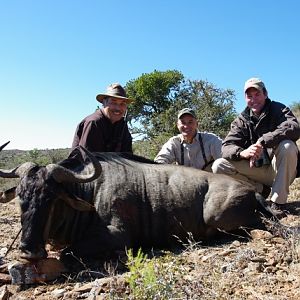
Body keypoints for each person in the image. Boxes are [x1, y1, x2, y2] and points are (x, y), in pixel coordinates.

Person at [212, 77, 300, 211]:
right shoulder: (240, 121)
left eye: (257, 94)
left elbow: (293, 127)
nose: (253, 99)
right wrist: (242, 152)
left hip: (280, 170)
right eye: (249, 96)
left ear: (265, 94)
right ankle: (259, 190)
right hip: (257, 171)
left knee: (288, 146)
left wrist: (263, 141)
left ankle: (278, 203)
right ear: (245, 98)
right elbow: (226, 147)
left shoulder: (279, 109)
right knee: (219, 165)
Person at [72, 83, 134, 154]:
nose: (118, 108)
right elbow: (89, 161)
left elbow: (128, 155)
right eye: (113, 102)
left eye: (122, 104)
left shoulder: (122, 124)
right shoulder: (94, 123)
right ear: (104, 102)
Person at [154, 108, 222, 171]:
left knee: (219, 164)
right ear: (177, 125)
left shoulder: (211, 139)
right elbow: (160, 160)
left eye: (190, 122)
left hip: (210, 181)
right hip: (185, 181)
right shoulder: (174, 142)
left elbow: (224, 160)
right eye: (183, 122)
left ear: (197, 124)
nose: (186, 126)